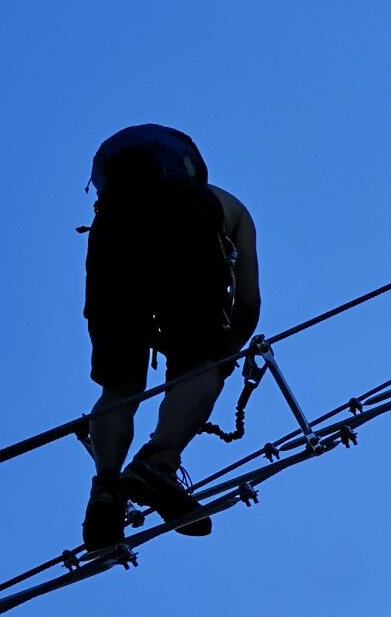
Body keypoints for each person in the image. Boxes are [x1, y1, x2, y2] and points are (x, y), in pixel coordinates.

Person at [79, 125, 261, 551]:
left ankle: (106, 487)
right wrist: (219, 357)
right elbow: (248, 305)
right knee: (203, 361)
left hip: (112, 240)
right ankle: (157, 464)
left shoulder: (109, 214)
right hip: (189, 224)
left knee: (119, 385)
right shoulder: (222, 203)